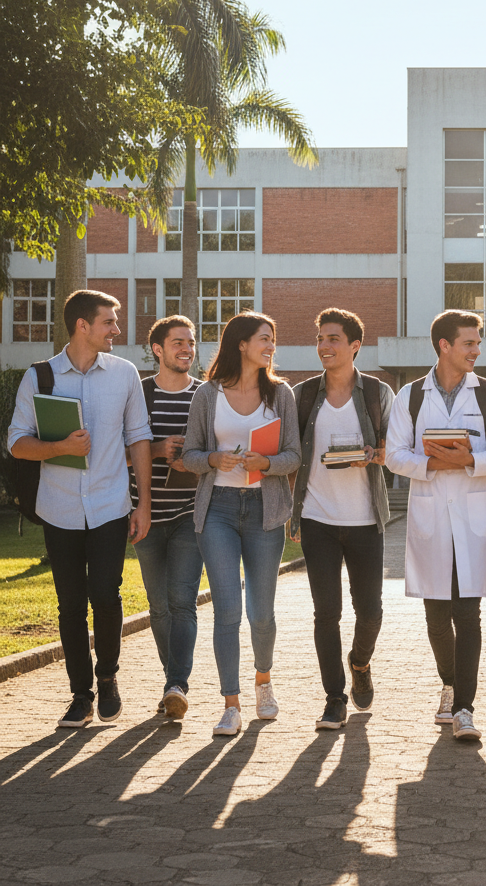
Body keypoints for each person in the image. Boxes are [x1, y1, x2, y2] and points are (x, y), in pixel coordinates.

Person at [8, 289, 152, 728]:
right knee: (70, 604)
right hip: (60, 508)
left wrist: (142, 502)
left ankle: (107, 677)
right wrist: (58, 447)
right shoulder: (40, 377)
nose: (117, 329)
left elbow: (139, 439)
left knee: (106, 596)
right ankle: (80, 694)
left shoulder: (124, 373)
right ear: (82, 326)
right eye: (109, 321)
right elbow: (16, 442)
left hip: (110, 505)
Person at [386, 310, 486, 740]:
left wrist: (470, 460)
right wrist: (432, 463)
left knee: (468, 613)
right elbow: (394, 455)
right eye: (469, 344)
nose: (476, 351)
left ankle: (464, 708)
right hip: (430, 513)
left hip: (474, 513)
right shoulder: (410, 396)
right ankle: (449, 681)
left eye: (477, 343)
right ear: (444, 346)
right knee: (436, 614)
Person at [181, 312, 300, 737]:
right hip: (219, 510)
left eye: (273, 338)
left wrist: (265, 463)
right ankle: (230, 703)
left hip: (264, 510)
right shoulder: (207, 395)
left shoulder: (280, 393)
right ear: (241, 344)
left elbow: (293, 456)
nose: (270, 346)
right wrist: (214, 459)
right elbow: (189, 455)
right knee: (227, 610)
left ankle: (263, 681)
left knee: (261, 612)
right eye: (263, 339)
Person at [290, 308, 395, 731]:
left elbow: (394, 449)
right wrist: (293, 514)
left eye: (333, 338)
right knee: (325, 612)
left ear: (355, 346)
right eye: (320, 338)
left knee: (370, 610)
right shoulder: (302, 394)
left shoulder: (376, 393)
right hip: (317, 517)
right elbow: (291, 453)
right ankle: (334, 698)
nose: (324, 346)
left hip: (365, 518)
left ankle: (360, 661)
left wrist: (378, 454)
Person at [128, 315, 204, 721]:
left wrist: (196, 462)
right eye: (178, 343)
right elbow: (114, 451)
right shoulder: (138, 394)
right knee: (158, 606)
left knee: (183, 602)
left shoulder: (206, 395)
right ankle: (171, 678)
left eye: (190, 343)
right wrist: (156, 451)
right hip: (146, 513)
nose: (187, 349)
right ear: (157, 349)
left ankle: (177, 685)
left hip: (192, 513)